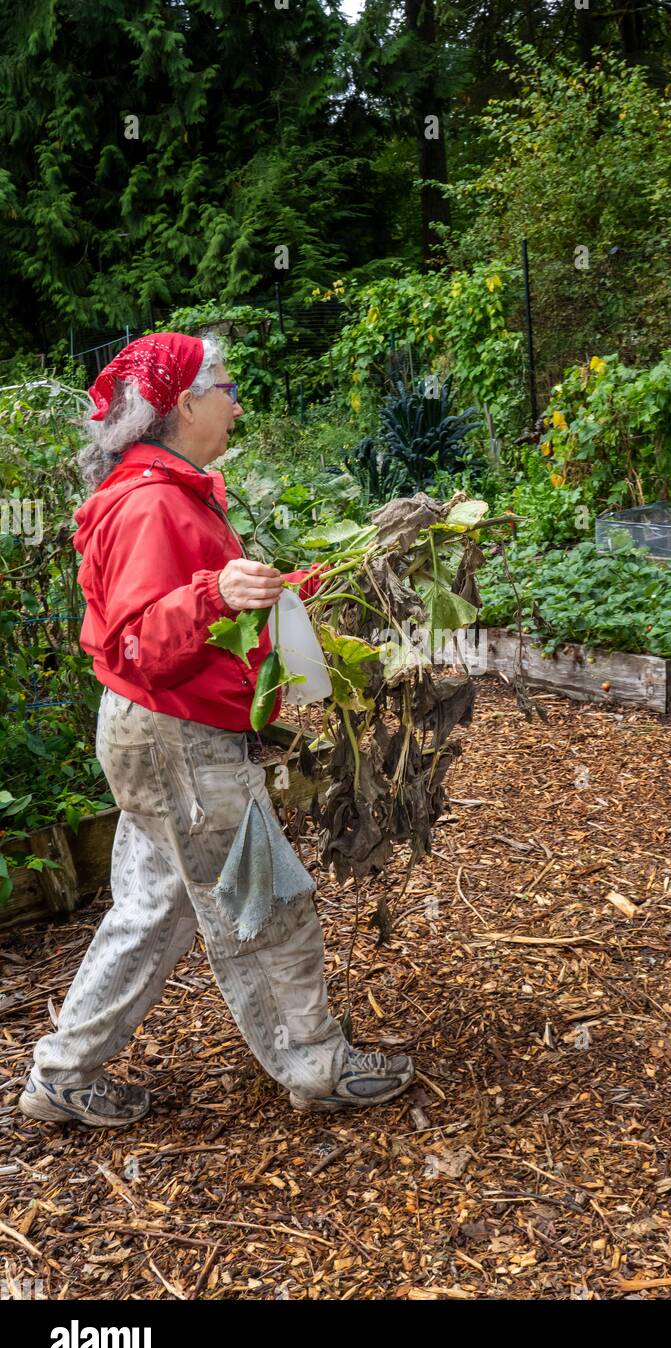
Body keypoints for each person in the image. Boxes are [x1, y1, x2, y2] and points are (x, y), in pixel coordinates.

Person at [19, 331, 414, 1128]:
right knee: (264, 901)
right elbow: (141, 642)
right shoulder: (151, 504)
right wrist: (214, 596)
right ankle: (316, 1063)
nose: (236, 402)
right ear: (183, 403)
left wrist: (309, 578)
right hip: (177, 740)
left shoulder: (164, 488)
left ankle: (63, 1072)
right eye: (225, 387)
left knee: (153, 908)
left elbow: (201, 602)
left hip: (148, 733)